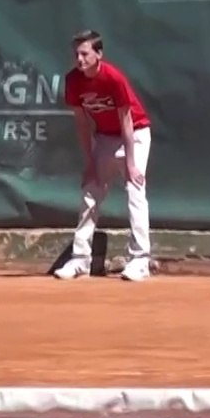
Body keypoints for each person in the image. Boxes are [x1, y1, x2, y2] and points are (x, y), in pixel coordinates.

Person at [54, 30, 153, 282]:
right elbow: (81, 124)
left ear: (98, 54)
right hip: (105, 137)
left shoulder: (113, 78)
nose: (79, 59)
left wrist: (131, 164)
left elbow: (127, 121)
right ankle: (80, 260)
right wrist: (89, 163)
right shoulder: (73, 80)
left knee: (135, 190)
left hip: (135, 134)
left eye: (85, 53)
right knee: (90, 191)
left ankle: (140, 260)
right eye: (76, 54)